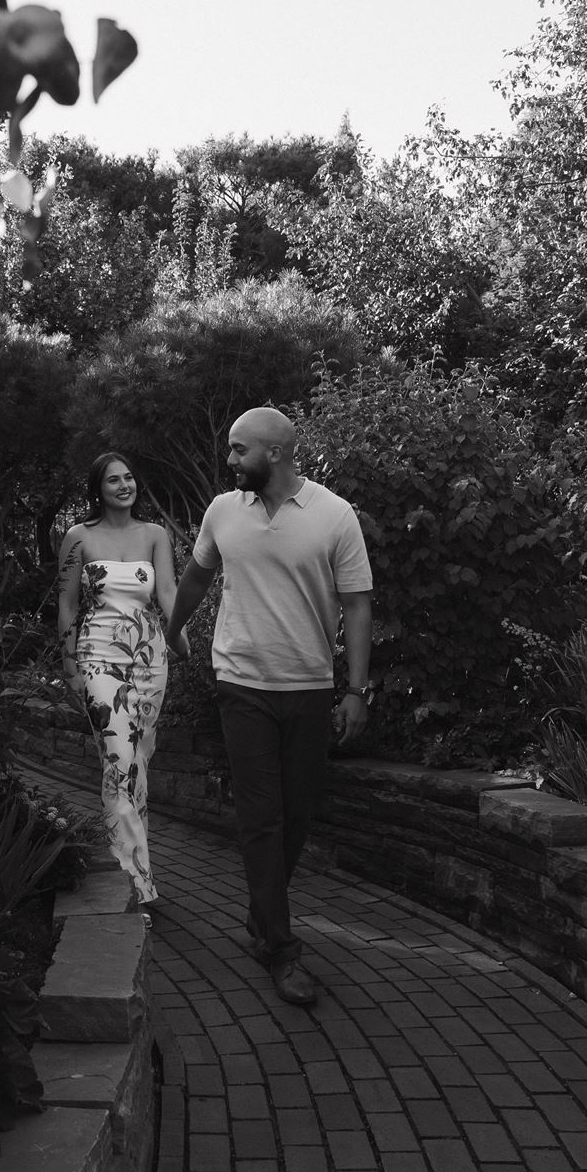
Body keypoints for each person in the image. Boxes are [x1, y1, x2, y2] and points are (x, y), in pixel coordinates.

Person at [165, 407, 373, 1006]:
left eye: (238, 450)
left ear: (274, 453)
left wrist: (355, 690)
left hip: (307, 684)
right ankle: (282, 950)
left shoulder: (334, 516)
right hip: (242, 683)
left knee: (297, 815)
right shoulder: (223, 512)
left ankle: (261, 921)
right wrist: (174, 629)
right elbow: (198, 578)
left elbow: (357, 605)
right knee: (261, 817)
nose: (229, 461)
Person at [57, 453, 189, 909]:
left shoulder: (154, 534)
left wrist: (181, 637)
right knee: (120, 764)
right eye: (113, 480)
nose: (124, 485)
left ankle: (131, 871)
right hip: (97, 659)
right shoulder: (79, 537)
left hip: (149, 660)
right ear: (98, 488)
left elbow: (168, 592)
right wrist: (70, 667)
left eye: (129, 477)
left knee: (138, 768)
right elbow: (68, 605)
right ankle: (134, 888)